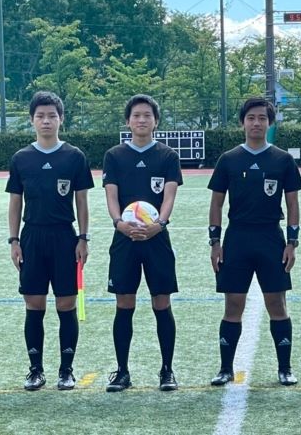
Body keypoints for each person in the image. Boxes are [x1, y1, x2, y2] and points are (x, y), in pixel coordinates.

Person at [207, 97, 301, 387]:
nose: (256, 123)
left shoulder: (282, 160)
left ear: (269, 123)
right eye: (251, 118)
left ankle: (285, 368)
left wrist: (292, 242)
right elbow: (216, 203)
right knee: (233, 304)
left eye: (262, 118)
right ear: (243, 123)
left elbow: (293, 203)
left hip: (271, 237)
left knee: (277, 303)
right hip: (237, 238)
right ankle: (225, 369)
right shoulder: (229, 159)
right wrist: (215, 241)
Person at [6, 91, 94, 391]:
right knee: (34, 303)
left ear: (61, 119)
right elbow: (15, 202)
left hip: (64, 236)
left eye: (52, 116)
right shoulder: (21, 159)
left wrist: (83, 237)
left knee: (66, 303)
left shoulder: (74, 156)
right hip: (32, 236)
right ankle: (35, 370)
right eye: (40, 116)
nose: (46, 121)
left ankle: (66, 370)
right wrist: (14, 240)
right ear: (32, 120)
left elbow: (81, 201)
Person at [102, 94, 182, 392]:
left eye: (147, 115)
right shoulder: (114, 156)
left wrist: (158, 225)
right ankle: (122, 371)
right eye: (136, 115)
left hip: (156, 239)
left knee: (162, 302)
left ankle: (167, 371)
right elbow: (111, 196)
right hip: (124, 239)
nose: (141, 120)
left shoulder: (167, 156)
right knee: (124, 303)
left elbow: (169, 197)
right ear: (128, 121)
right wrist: (119, 223)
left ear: (156, 121)